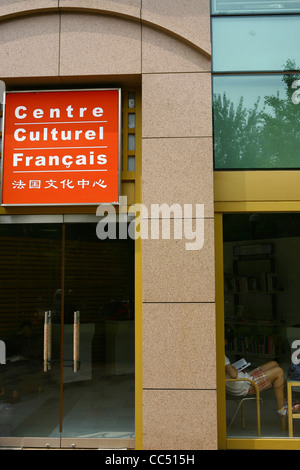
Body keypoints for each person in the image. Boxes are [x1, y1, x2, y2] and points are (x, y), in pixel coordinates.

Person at [225, 355, 299, 417]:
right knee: (279, 372)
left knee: (274, 364)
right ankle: (282, 410)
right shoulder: (222, 356)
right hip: (247, 385)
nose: (226, 342)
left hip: (246, 378)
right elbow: (233, 375)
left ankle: (286, 402)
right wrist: (231, 367)